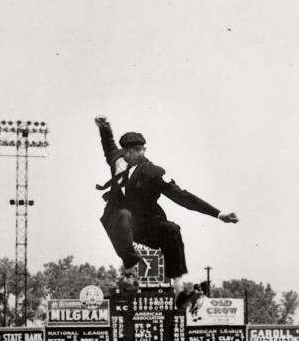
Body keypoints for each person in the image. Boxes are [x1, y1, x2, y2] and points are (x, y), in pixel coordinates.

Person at [94, 116, 238, 303]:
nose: (136, 155)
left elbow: (183, 196)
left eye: (140, 150)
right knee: (123, 214)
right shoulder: (116, 160)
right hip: (118, 223)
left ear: (144, 150)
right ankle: (131, 273)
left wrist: (218, 214)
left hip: (146, 225)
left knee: (172, 230)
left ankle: (178, 288)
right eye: (132, 151)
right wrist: (104, 128)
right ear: (125, 152)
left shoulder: (154, 172)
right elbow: (108, 145)